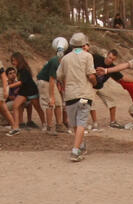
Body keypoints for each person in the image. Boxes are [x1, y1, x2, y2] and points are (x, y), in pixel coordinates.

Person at [58, 33, 97, 163]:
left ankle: (80, 145)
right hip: (84, 95)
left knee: (75, 122)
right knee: (82, 121)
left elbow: (59, 75)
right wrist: (95, 82)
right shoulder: (87, 56)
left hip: (70, 96)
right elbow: (91, 75)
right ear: (84, 43)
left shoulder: (65, 58)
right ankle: (75, 150)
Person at [36, 37, 70, 135]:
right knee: (50, 103)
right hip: (44, 81)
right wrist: (51, 97)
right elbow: (51, 80)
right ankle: (49, 126)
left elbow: (62, 77)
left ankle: (59, 124)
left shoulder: (62, 62)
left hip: (50, 81)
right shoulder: (55, 61)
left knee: (58, 102)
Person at [8, 52, 43, 135]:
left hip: (31, 91)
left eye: (14, 60)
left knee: (37, 108)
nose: (12, 62)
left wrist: (9, 86)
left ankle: (45, 124)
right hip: (24, 91)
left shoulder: (24, 69)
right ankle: (16, 127)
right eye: (12, 60)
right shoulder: (19, 70)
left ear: (18, 60)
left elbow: (21, 82)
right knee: (15, 106)